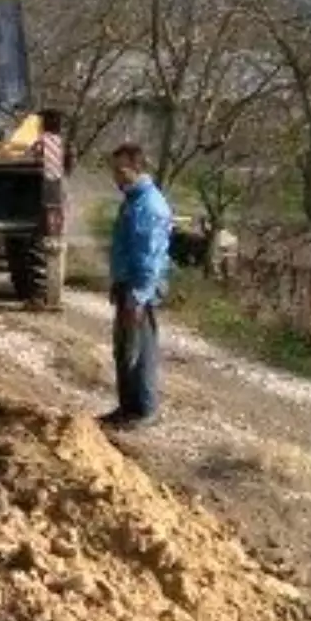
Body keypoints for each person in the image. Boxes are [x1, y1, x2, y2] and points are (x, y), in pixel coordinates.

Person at [103, 142, 172, 429]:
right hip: (126, 283)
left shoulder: (148, 205)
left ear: (137, 168)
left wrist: (138, 295)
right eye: (114, 170)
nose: (116, 177)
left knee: (140, 350)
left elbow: (149, 255)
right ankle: (126, 408)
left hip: (138, 289)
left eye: (121, 170)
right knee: (123, 350)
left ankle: (144, 411)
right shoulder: (133, 200)